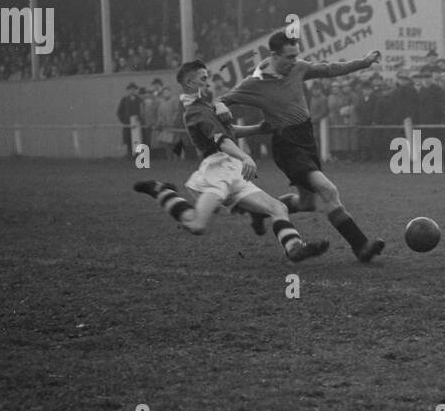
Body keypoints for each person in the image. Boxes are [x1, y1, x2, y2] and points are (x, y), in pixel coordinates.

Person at [133, 60, 328, 262]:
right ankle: (161, 190)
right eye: (203, 78)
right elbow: (222, 140)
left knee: (278, 208)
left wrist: (258, 128)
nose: (209, 82)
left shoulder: (205, 106)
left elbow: (229, 132)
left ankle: (294, 247)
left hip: (233, 170)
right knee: (197, 225)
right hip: (217, 170)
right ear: (190, 83)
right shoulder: (195, 111)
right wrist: (244, 156)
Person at [222, 31, 386, 262]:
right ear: (274, 55)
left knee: (307, 202)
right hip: (286, 143)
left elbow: (328, 69)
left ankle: (257, 211)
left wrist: (364, 62)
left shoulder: (297, 68)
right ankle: (361, 246)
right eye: (289, 57)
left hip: (306, 138)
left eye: (296, 55)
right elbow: (223, 100)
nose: (294, 61)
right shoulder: (254, 84)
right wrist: (219, 107)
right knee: (328, 190)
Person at [117, 82, 142, 155]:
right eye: (130, 89)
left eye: (134, 89)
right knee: (129, 140)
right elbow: (119, 112)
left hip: (138, 123)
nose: (132, 91)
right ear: (128, 90)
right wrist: (124, 121)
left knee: (138, 139)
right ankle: (130, 155)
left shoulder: (139, 99)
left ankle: (139, 156)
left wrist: (140, 119)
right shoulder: (124, 100)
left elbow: (143, 111)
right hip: (128, 124)